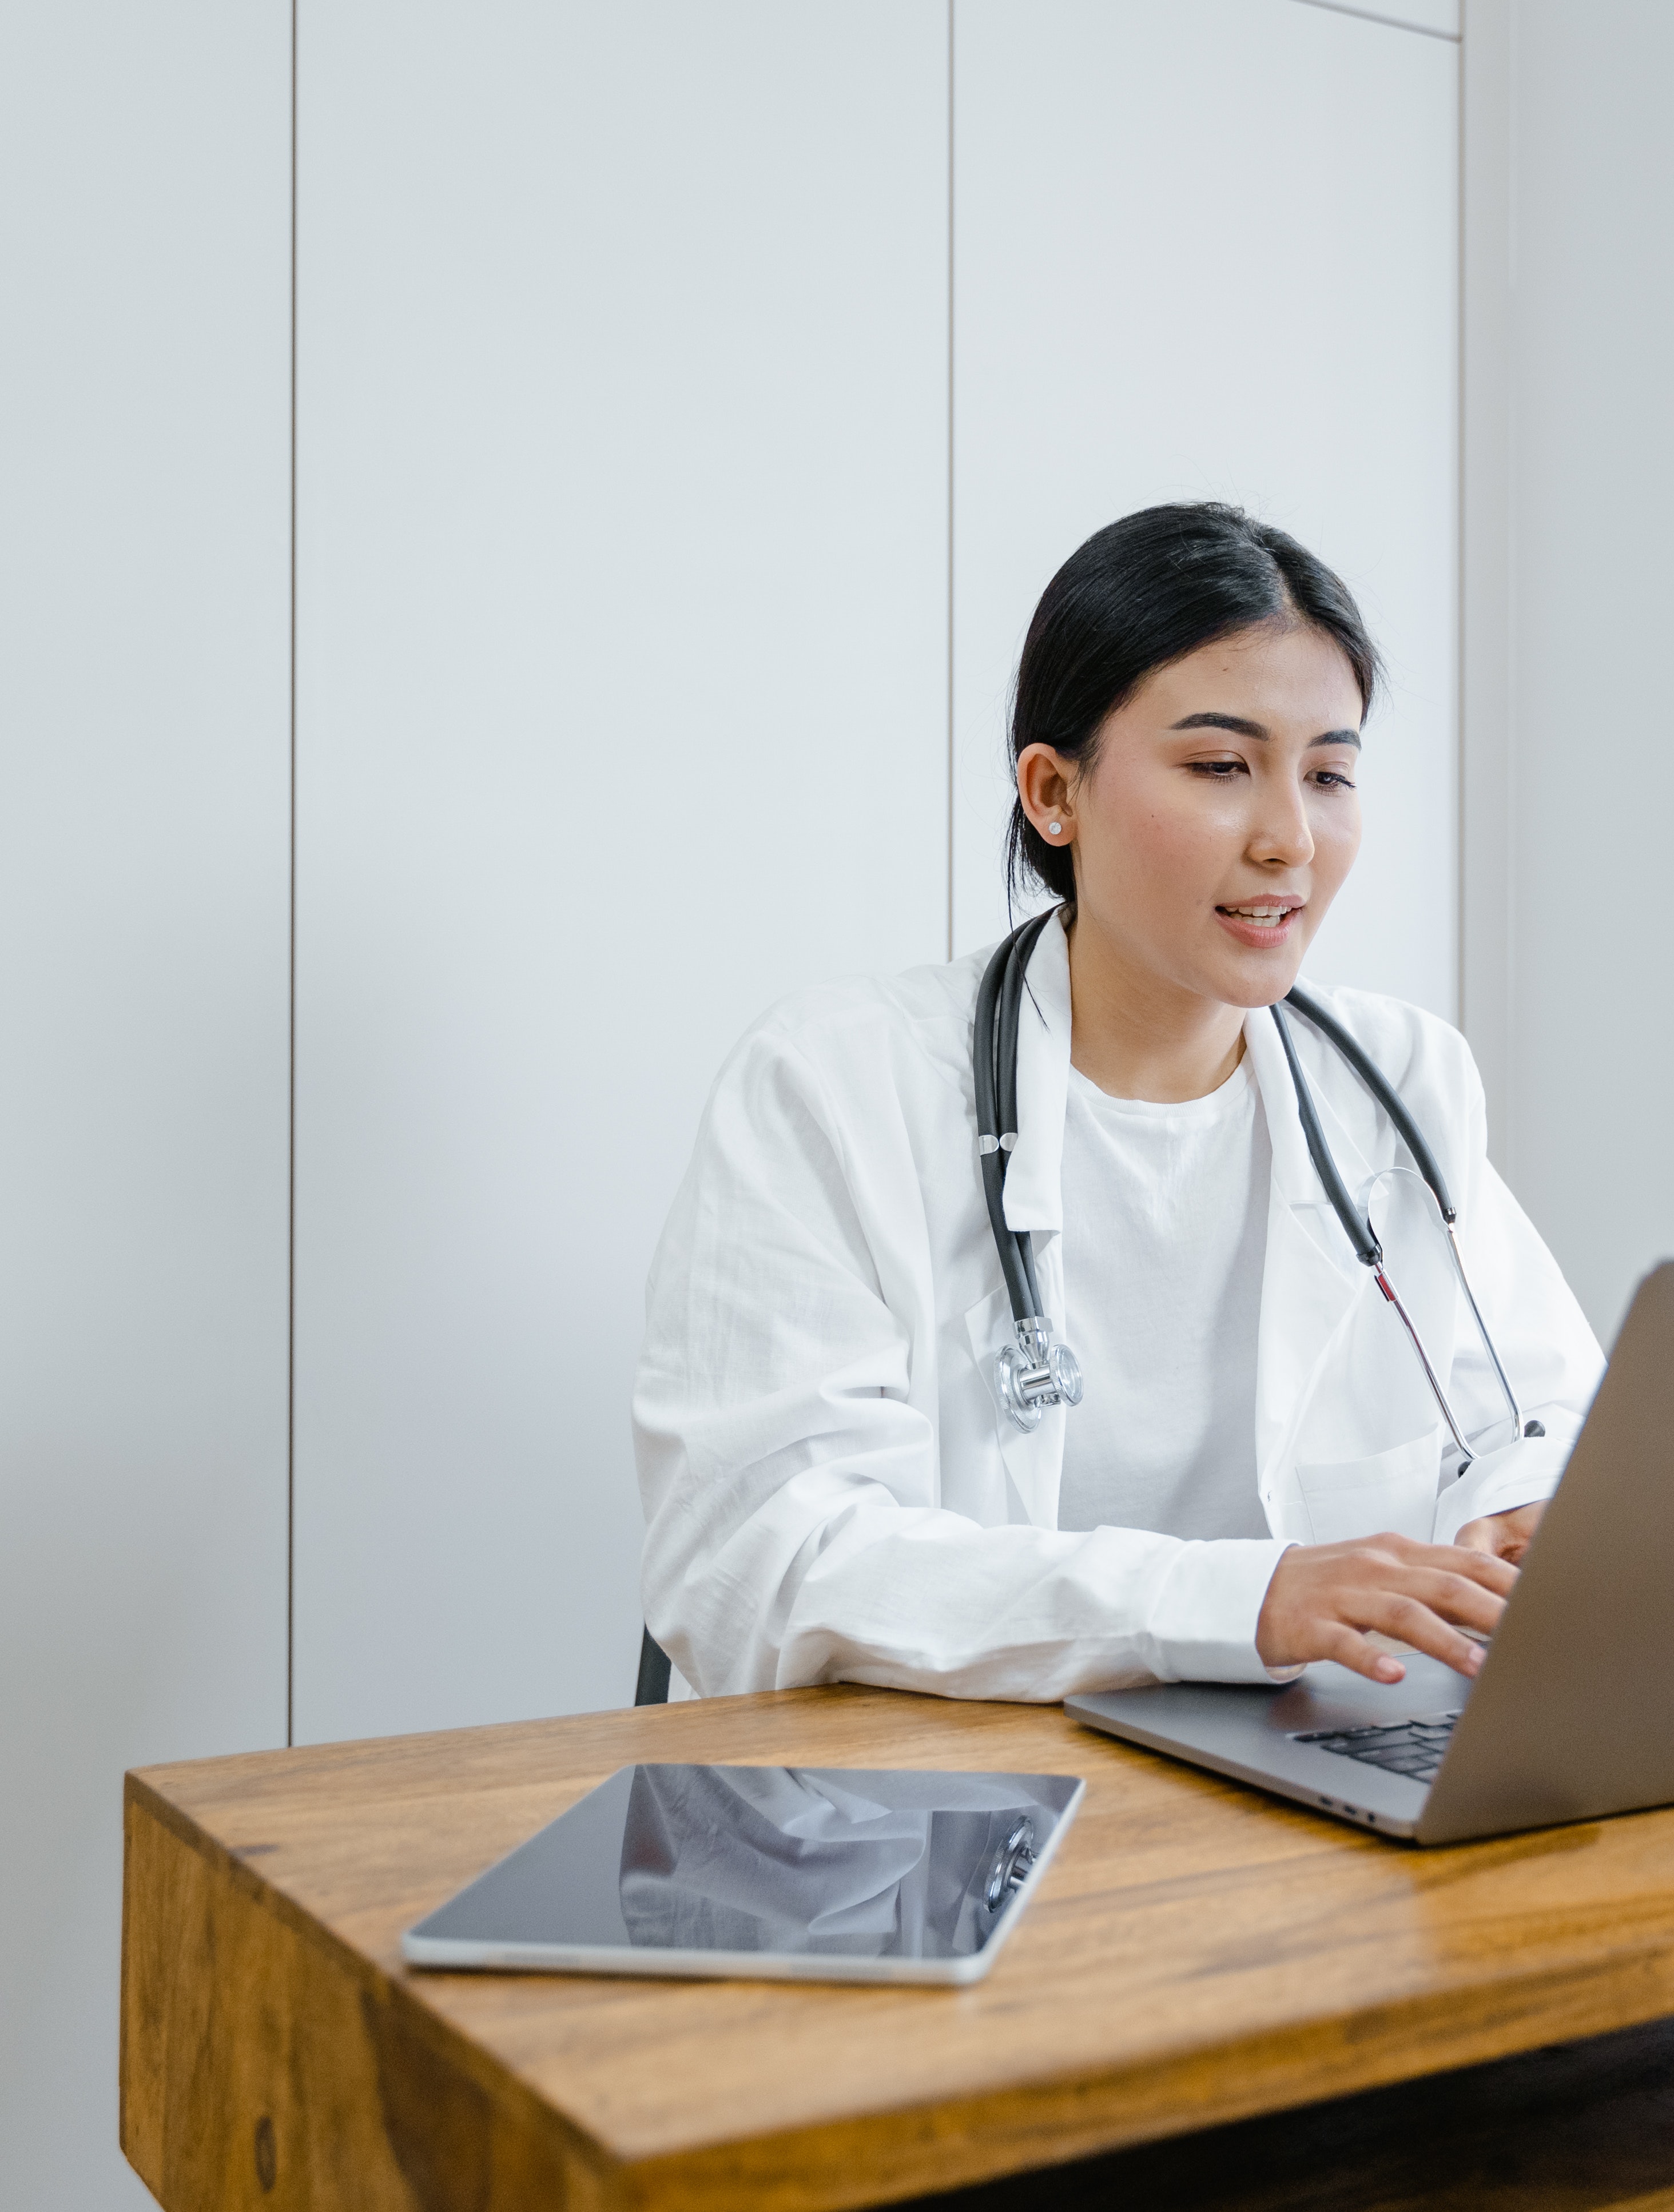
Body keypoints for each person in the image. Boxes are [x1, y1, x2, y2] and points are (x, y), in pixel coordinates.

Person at [635, 502, 1603, 1702]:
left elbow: (1534, 1411)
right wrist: (1234, 1601)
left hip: (1301, 1778)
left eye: (1329, 773)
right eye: (1218, 767)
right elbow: (761, 1564)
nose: (1290, 838)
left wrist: (1526, 1513)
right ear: (1052, 793)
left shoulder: (1399, 1083)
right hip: (922, 1825)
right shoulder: (835, 1087)